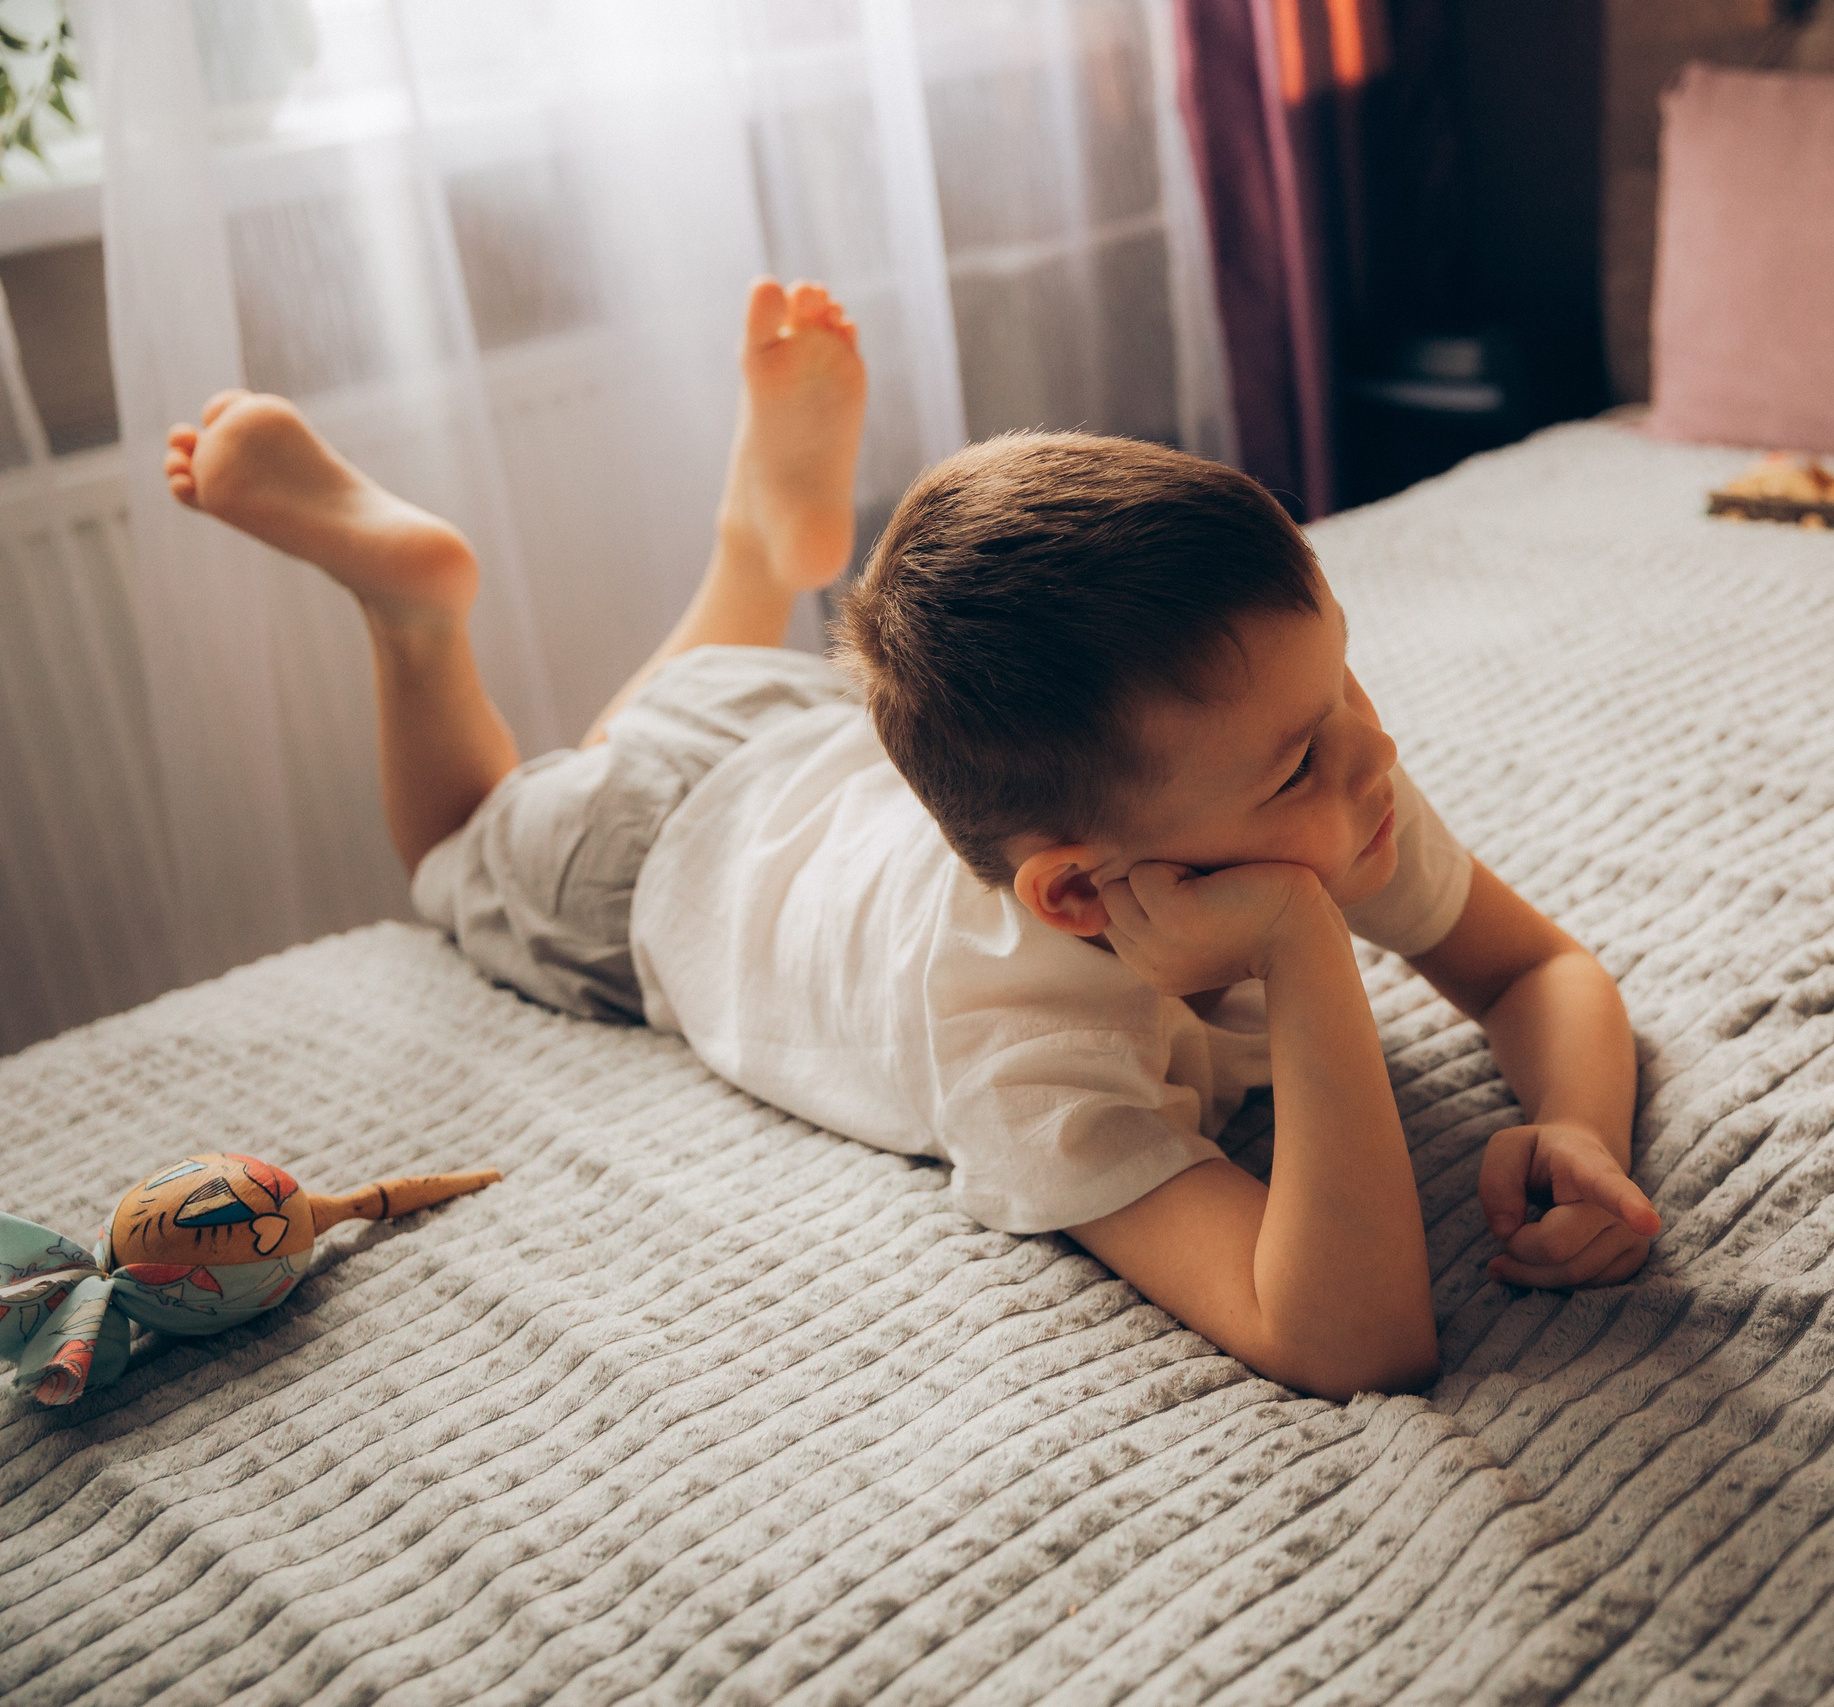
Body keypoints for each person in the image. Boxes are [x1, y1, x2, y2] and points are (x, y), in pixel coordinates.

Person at [161, 278, 1657, 1402]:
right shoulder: (1018, 1036)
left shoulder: (1321, 792)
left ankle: (762, 549)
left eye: (1347, 687)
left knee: (677, 703)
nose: (1376, 752)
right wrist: (1303, 938)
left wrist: (1579, 1121)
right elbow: (1351, 1340)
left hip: (796, 735)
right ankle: (416, 613)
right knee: (451, 846)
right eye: (1303, 752)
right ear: (1083, 892)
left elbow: (1540, 972)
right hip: (648, 857)